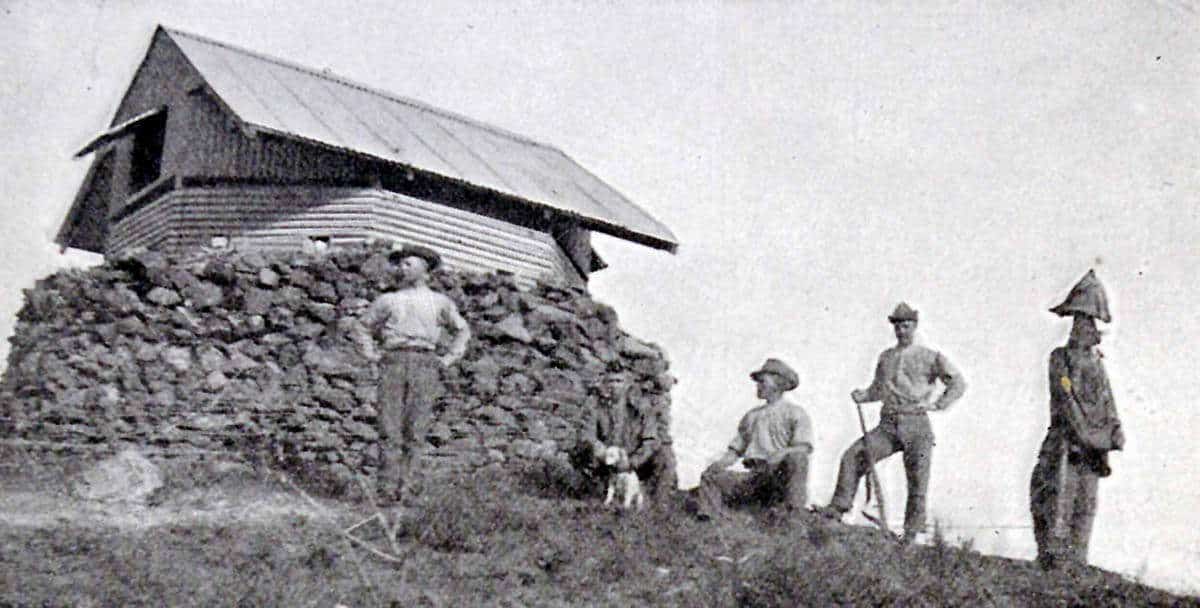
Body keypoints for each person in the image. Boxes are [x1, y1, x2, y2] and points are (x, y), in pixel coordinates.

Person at [814, 303, 966, 542]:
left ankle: (912, 532)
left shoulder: (930, 356)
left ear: (915, 326)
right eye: (897, 326)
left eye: (906, 326)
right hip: (888, 424)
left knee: (917, 479)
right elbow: (877, 389)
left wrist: (937, 405)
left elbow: (958, 383)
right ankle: (838, 508)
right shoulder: (886, 357)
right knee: (854, 455)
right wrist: (863, 395)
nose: (901, 331)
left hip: (917, 424)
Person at [360, 243, 471, 503]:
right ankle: (386, 491)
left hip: (425, 363)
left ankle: (409, 491)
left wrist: (447, 360)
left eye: (408, 264)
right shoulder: (388, 300)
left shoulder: (439, 302)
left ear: (424, 270)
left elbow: (462, 330)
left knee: (416, 429)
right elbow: (363, 326)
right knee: (389, 428)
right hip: (393, 361)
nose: (402, 268)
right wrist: (371, 354)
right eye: (400, 264)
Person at [1030, 269, 1124, 571]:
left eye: (1088, 323)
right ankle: (1053, 562)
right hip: (1067, 442)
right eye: (1079, 322)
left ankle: (1077, 563)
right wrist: (1091, 434)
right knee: (1058, 499)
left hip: (1093, 446)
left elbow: (1108, 401)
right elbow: (1066, 401)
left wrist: (1114, 430)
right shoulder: (1060, 359)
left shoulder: (1098, 365)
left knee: (1085, 505)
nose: (1083, 329)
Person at [694, 358, 813, 520]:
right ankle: (716, 517)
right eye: (758, 382)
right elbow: (735, 450)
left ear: (778, 383)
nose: (758, 386)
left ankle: (794, 513)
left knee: (798, 458)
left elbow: (803, 448)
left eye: (762, 382)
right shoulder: (751, 416)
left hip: (778, 477)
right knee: (711, 476)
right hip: (754, 477)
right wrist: (719, 464)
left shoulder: (796, 413)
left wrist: (782, 454)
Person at [571, 371, 678, 499]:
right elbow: (586, 435)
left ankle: (657, 506)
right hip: (605, 461)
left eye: (619, 381)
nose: (614, 386)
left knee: (664, 457)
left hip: (634, 463)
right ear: (604, 384)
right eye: (610, 381)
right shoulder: (595, 406)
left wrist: (632, 462)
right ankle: (592, 495)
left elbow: (650, 440)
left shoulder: (641, 407)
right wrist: (602, 452)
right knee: (583, 453)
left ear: (627, 384)